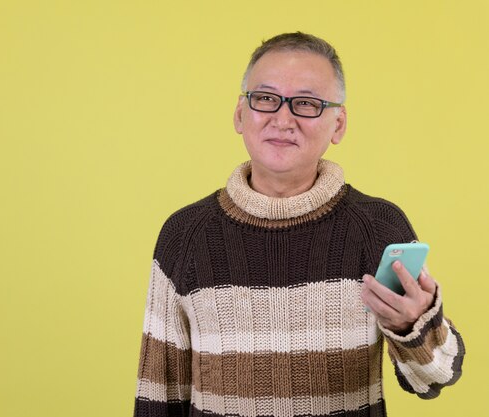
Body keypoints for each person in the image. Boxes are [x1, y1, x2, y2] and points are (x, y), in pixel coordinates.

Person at [133, 32, 464, 417]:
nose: (283, 119)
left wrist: (414, 326)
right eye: (266, 99)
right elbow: (158, 396)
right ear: (241, 114)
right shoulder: (184, 234)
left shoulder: (379, 228)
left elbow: (435, 377)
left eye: (306, 104)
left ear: (338, 124)